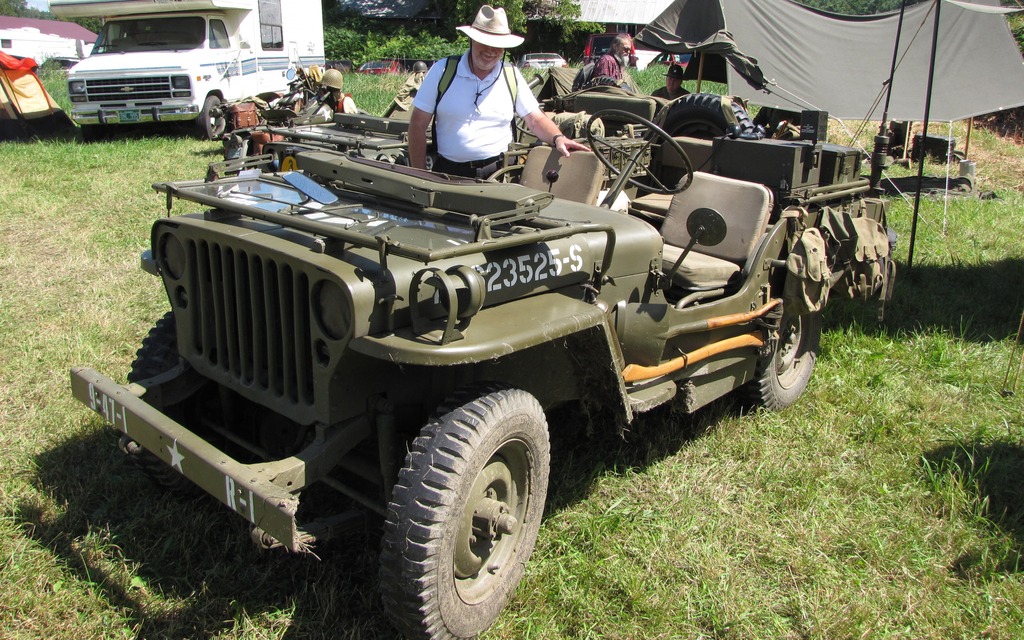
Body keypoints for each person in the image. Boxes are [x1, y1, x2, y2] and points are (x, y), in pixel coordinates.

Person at [408, 5, 589, 178]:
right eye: (484, 43)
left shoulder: (511, 75)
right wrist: (420, 175)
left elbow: (535, 119)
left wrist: (557, 137)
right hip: (448, 174)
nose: (490, 51)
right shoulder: (443, 71)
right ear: (472, 40)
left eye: (497, 45)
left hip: (499, 174)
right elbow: (417, 124)